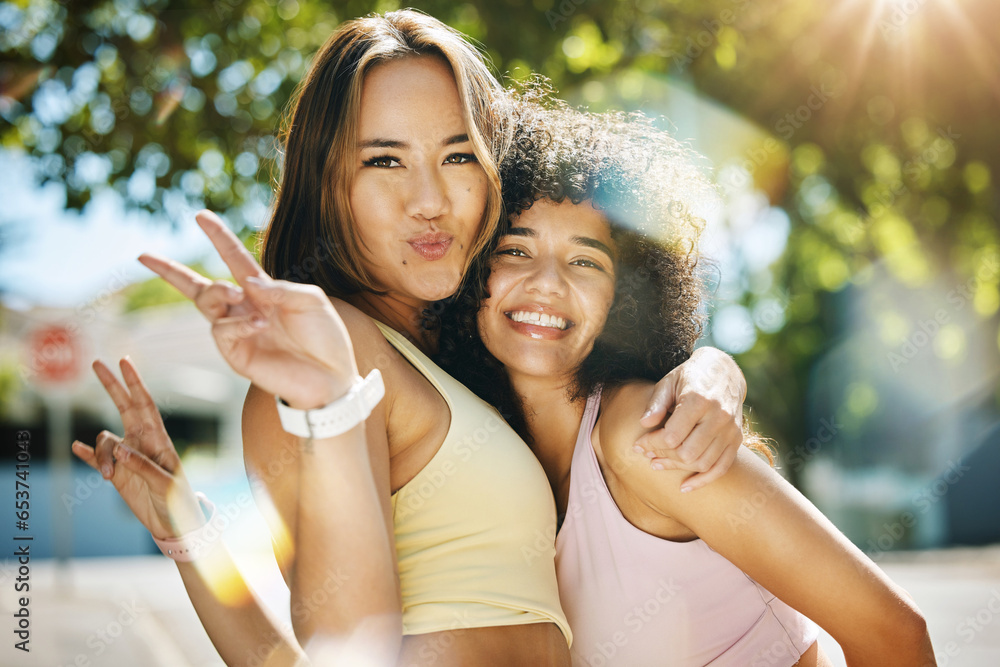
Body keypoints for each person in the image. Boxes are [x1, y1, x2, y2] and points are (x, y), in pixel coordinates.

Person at [71, 9, 750, 666]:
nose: (428, 199)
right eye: (385, 162)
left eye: (457, 155)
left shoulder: (473, 350)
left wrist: (712, 369)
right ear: (330, 184)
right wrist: (329, 398)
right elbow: (350, 648)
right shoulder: (334, 345)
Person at [436, 103, 936, 666]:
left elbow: (894, 631)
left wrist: (718, 367)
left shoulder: (647, 437)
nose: (546, 284)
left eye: (585, 262)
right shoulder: (489, 460)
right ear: (475, 268)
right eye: (516, 251)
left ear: (622, 298)